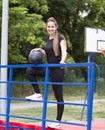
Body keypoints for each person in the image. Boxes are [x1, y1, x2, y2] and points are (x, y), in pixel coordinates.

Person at [25, 17, 67, 128]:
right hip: (49, 68)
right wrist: (39, 50)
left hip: (57, 69)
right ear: (46, 27)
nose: (50, 28)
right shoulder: (48, 38)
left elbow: (64, 51)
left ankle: (58, 121)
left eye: (52, 26)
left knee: (59, 96)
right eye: (48, 26)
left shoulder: (61, 37)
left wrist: (62, 61)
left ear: (56, 27)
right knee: (30, 71)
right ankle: (38, 94)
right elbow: (49, 53)